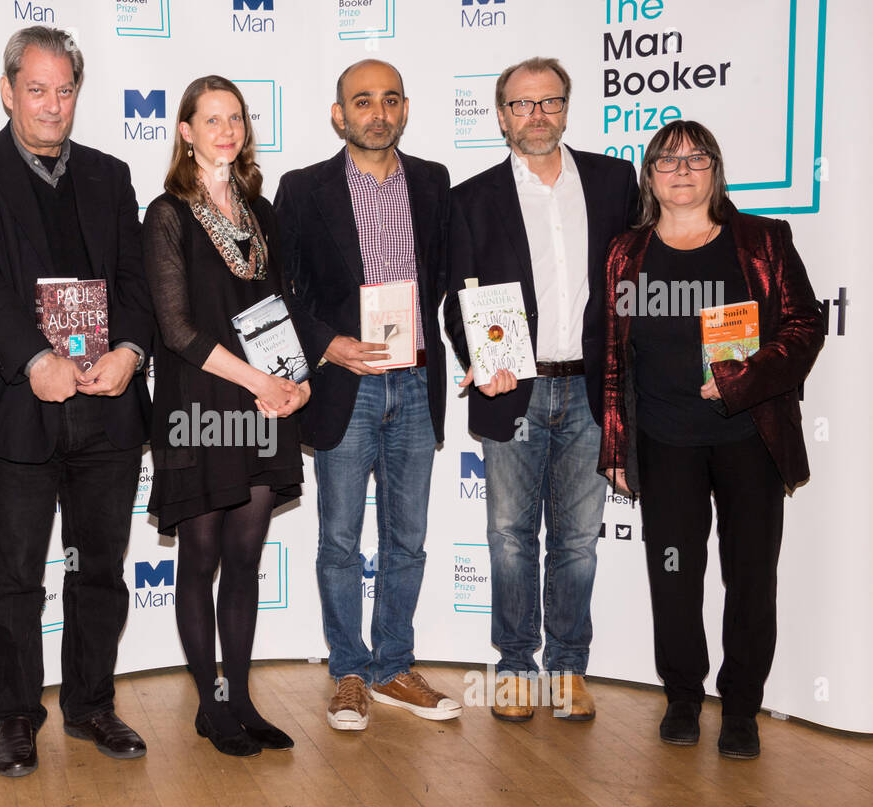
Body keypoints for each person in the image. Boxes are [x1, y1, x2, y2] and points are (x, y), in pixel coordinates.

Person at [0, 26, 155, 777]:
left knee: (100, 568)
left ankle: (91, 705)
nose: (52, 105)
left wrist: (129, 352)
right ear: (7, 91)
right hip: (17, 410)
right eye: (37, 89)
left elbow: (135, 280)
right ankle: (16, 717)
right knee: (16, 573)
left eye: (64, 90)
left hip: (108, 408)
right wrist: (33, 360)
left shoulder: (111, 174)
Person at [599, 120, 824, 759]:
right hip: (663, 440)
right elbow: (614, 357)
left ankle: (742, 707)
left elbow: (806, 325)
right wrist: (616, 445)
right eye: (667, 161)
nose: (681, 170)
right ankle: (682, 696)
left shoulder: (762, 240)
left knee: (750, 575)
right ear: (649, 177)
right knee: (674, 574)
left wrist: (742, 379)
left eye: (696, 159)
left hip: (749, 438)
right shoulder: (626, 252)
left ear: (715, 171)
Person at [442, 57, 637, 722]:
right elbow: (456, 300)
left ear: (566, 107)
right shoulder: (470, 198)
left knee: (579, 538)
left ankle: (569, 667)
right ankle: (518, 664)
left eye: (549, 102)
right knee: (509, 535)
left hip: (590, 389)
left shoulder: (615, 182)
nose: (537, 116)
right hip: (513, 389)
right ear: (501, 116)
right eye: (522, 105)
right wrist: (479, 357)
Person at [275, 59, 458, 731]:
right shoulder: (302, 189)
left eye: (389, 100)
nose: (377, 112)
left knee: (407, 538)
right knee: (340, 540)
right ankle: (349, 671)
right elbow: (285, 290)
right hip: (343, 384)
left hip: (413, 381)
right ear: (338, 114)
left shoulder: (435, 182)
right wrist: (329, 345)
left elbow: (450, 281)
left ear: (404, 109)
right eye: (362, 101)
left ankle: (393, 666)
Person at [142, 76, 309, 758]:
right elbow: (177, 329)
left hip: (266, 401)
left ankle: (240, 697)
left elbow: (283, 309)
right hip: (201, 405)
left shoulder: (262, 213)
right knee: (202, 556)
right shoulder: (167, 214)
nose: (225, 129)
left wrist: (295, 385)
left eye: (234, 117)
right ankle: (211, 705)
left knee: (245, 557)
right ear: (185, 130)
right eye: (210, 118)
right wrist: (258, 380)